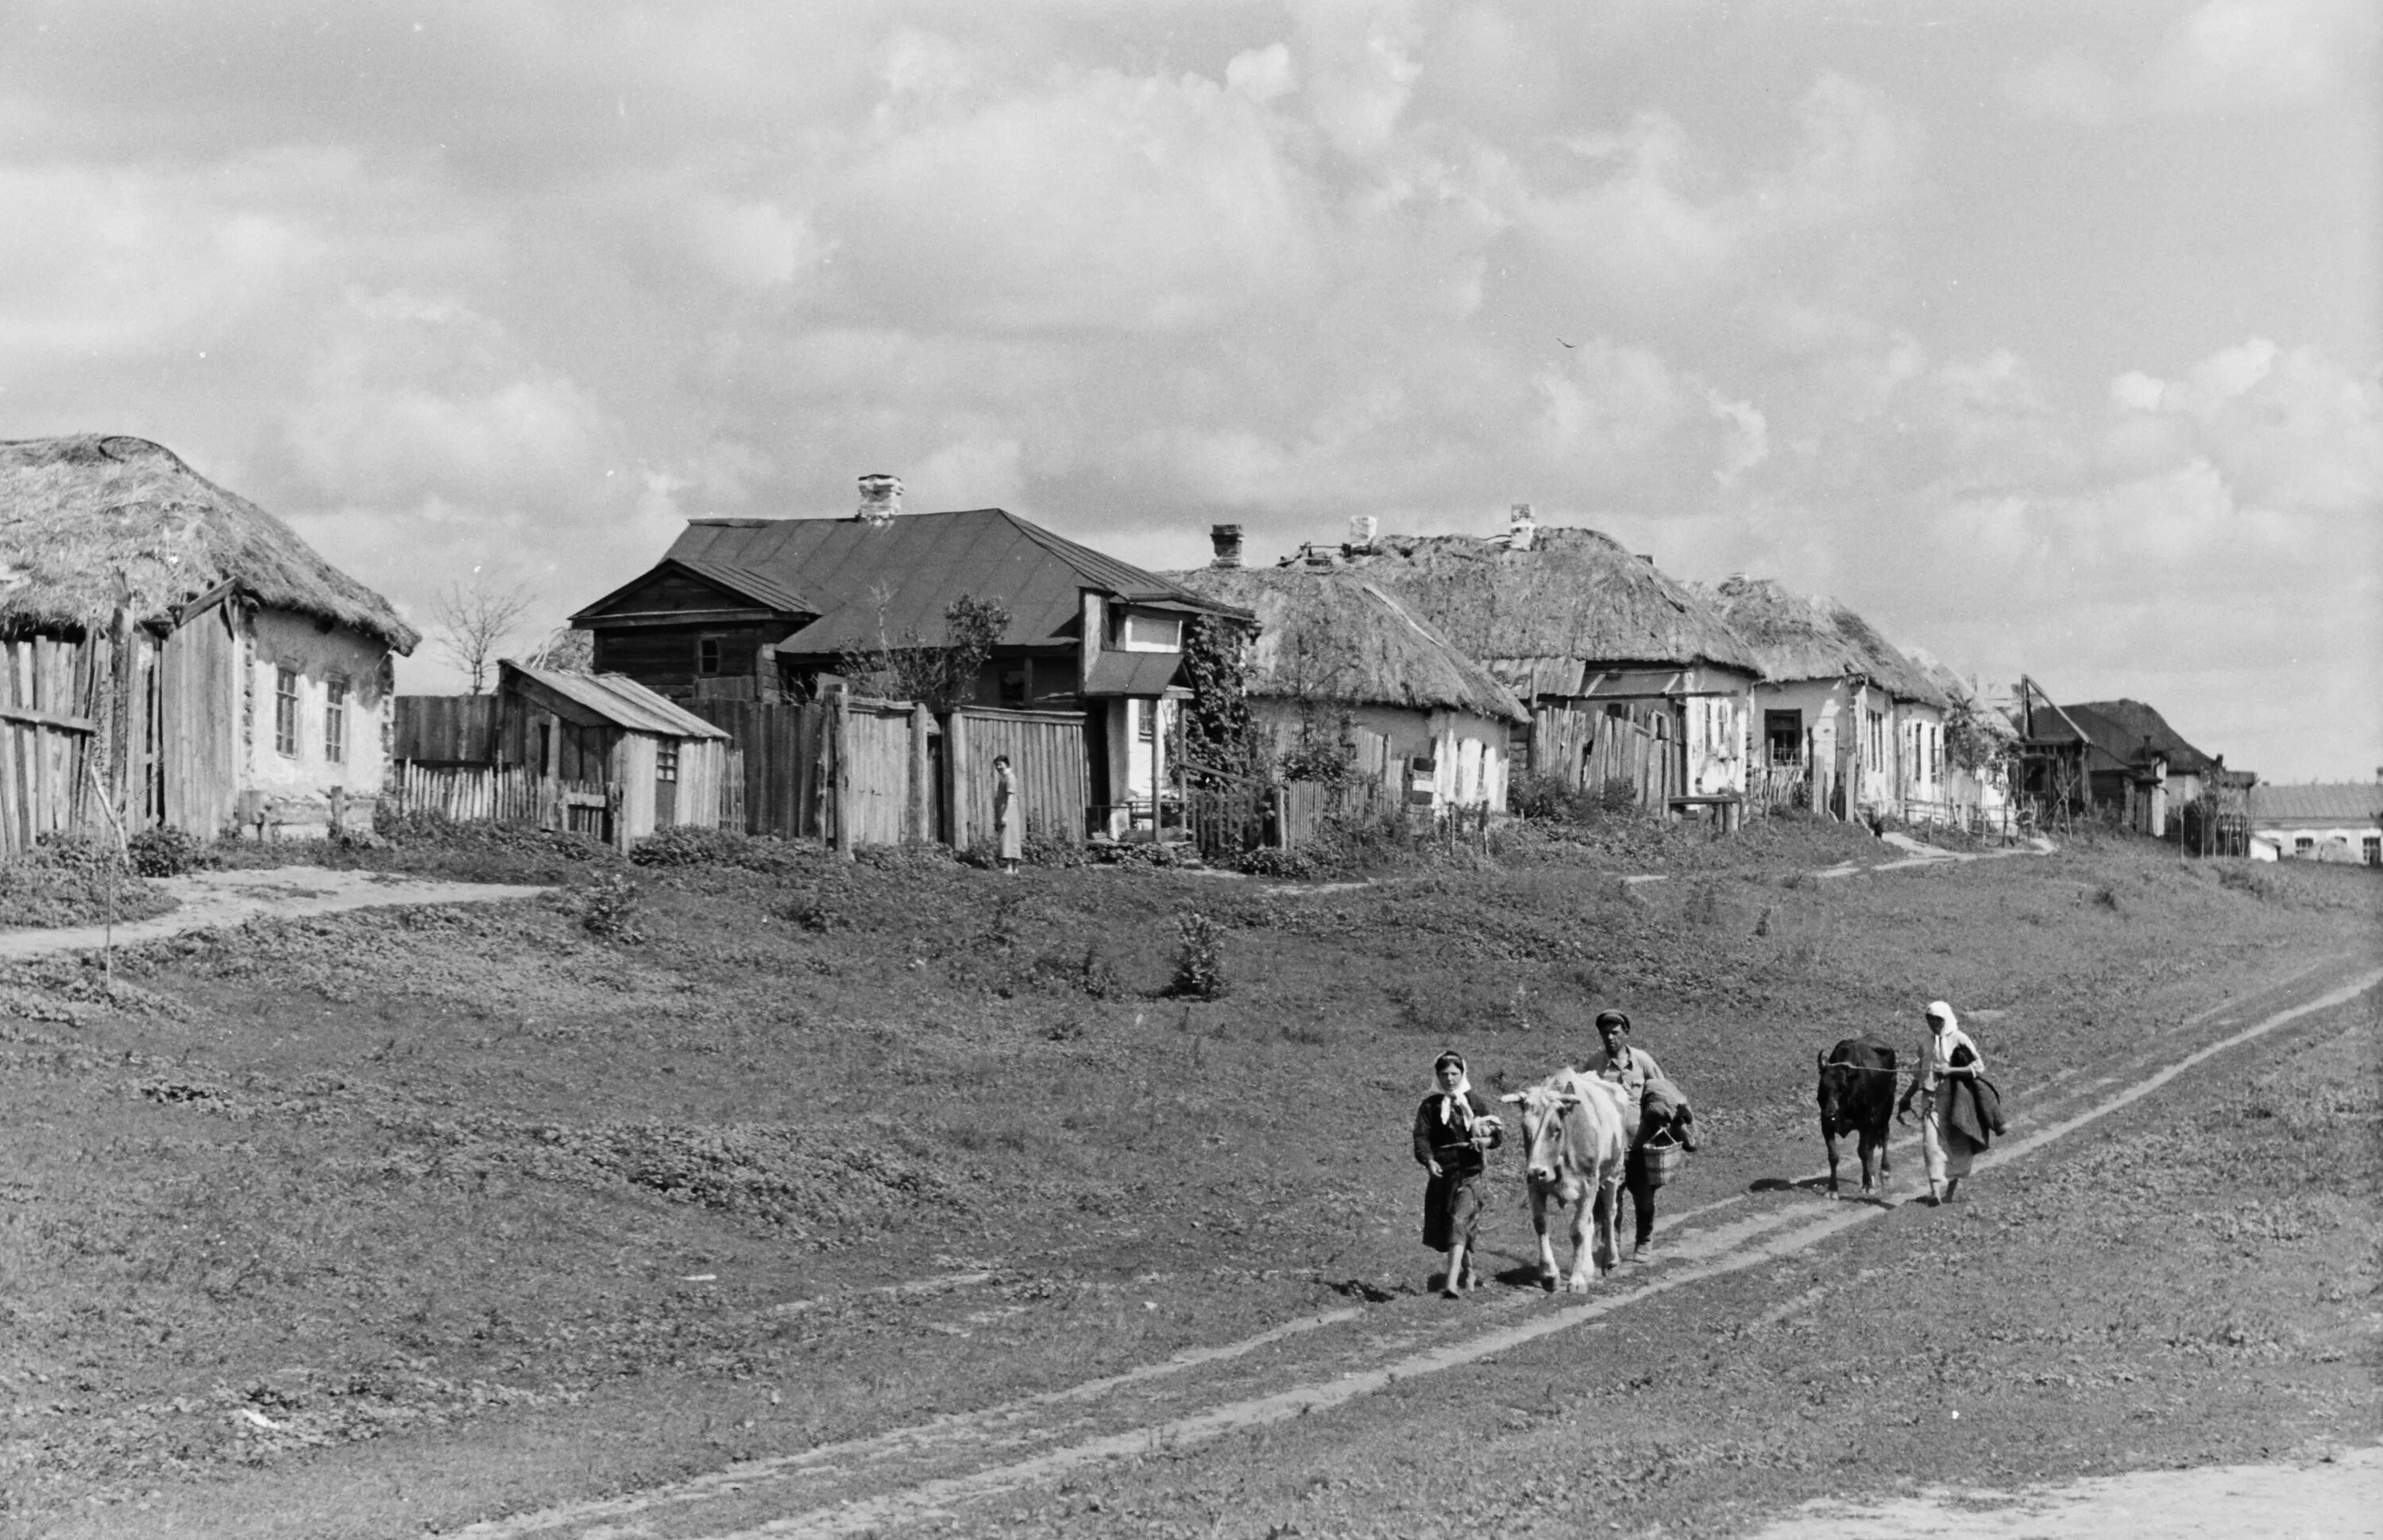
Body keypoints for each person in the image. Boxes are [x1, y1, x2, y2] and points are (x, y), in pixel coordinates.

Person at [1581, 1009, 1694, 1259]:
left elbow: (1664, 1089)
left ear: (1625, 1033)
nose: (1610, 1037)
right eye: (1605, 1033)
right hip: (1609, 1152)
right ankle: (1612, 1248)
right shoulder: (1594, 1067)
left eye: (1615, 1032)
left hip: (1641, 1146)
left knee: (1644, 1200)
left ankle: (1644, 1240)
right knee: (1610, 1204)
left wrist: (1677, 1116)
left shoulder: (1642, 1061)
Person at [1413, 1050, 1502, 1299]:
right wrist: (1429, 1161)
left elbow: (1497, 1136)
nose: (1450, 1078)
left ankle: (1450, 1285)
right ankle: (1469, 1270)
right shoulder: (1429, 1107)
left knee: (1459, 1220)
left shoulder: (1474, 1101)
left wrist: (1483, 1141)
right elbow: (1421, 1137)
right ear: (1437, 1076)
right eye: (1444, 1074)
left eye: (1455, 1073)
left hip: (1470, 1171)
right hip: (1443, 1174)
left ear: (1463, 1073)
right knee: (1453, 1224)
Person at [1898, 999, 1987, 1205]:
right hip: (1930, 1099)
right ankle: (1936, 1192)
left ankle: (1950, 1193)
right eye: (1930, 1020)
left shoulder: (1960, 1039)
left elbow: (1978, 1067)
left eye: (1937, 1020)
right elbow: (1920, 1074)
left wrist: (1951, 1071)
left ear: (1945, 1019)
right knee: (1931, 1145)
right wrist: (1907, 1096)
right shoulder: (1925, 1042)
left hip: (1956, 1100)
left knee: (1956, 1145)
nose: (1933, 1024)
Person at [991, 755, 1022, 874]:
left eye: (1000, 764)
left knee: (1009, 838)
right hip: (1005, 811)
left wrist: (1005, 815)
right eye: (997, 765)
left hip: (1009, 811)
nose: (998, 767)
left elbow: (1010, 797)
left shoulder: (1009, 778)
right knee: (1009, 838)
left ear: (1006, 764)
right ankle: (1014, 868)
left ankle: (1011, 867)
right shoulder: (1004, 778)